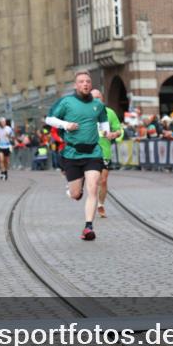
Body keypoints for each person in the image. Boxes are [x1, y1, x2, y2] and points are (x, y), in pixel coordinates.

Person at [45, 71, 112, 241]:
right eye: (81, 81)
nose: (85, 84)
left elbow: (104, 120)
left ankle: (88, 227)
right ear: (76, 85)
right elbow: (49, 119)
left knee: (93, 187)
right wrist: (66, 124)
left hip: (93, 152)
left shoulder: (97, 105)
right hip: (72, 153)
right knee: (75, 194)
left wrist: (106, 132)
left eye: (88, 81)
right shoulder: (66, 102)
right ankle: (76, 189)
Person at [90, 89, 123, 219]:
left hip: (104, 151)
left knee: (103, 181)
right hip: (89, 151)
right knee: (92, 181)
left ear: (102, 99)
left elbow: (119, 130)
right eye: (94, 98)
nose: (96, 100)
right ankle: (91, 202)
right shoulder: (85, 114)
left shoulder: (109, 113)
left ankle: (100, 204)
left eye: (98, 97)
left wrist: (113, 134)